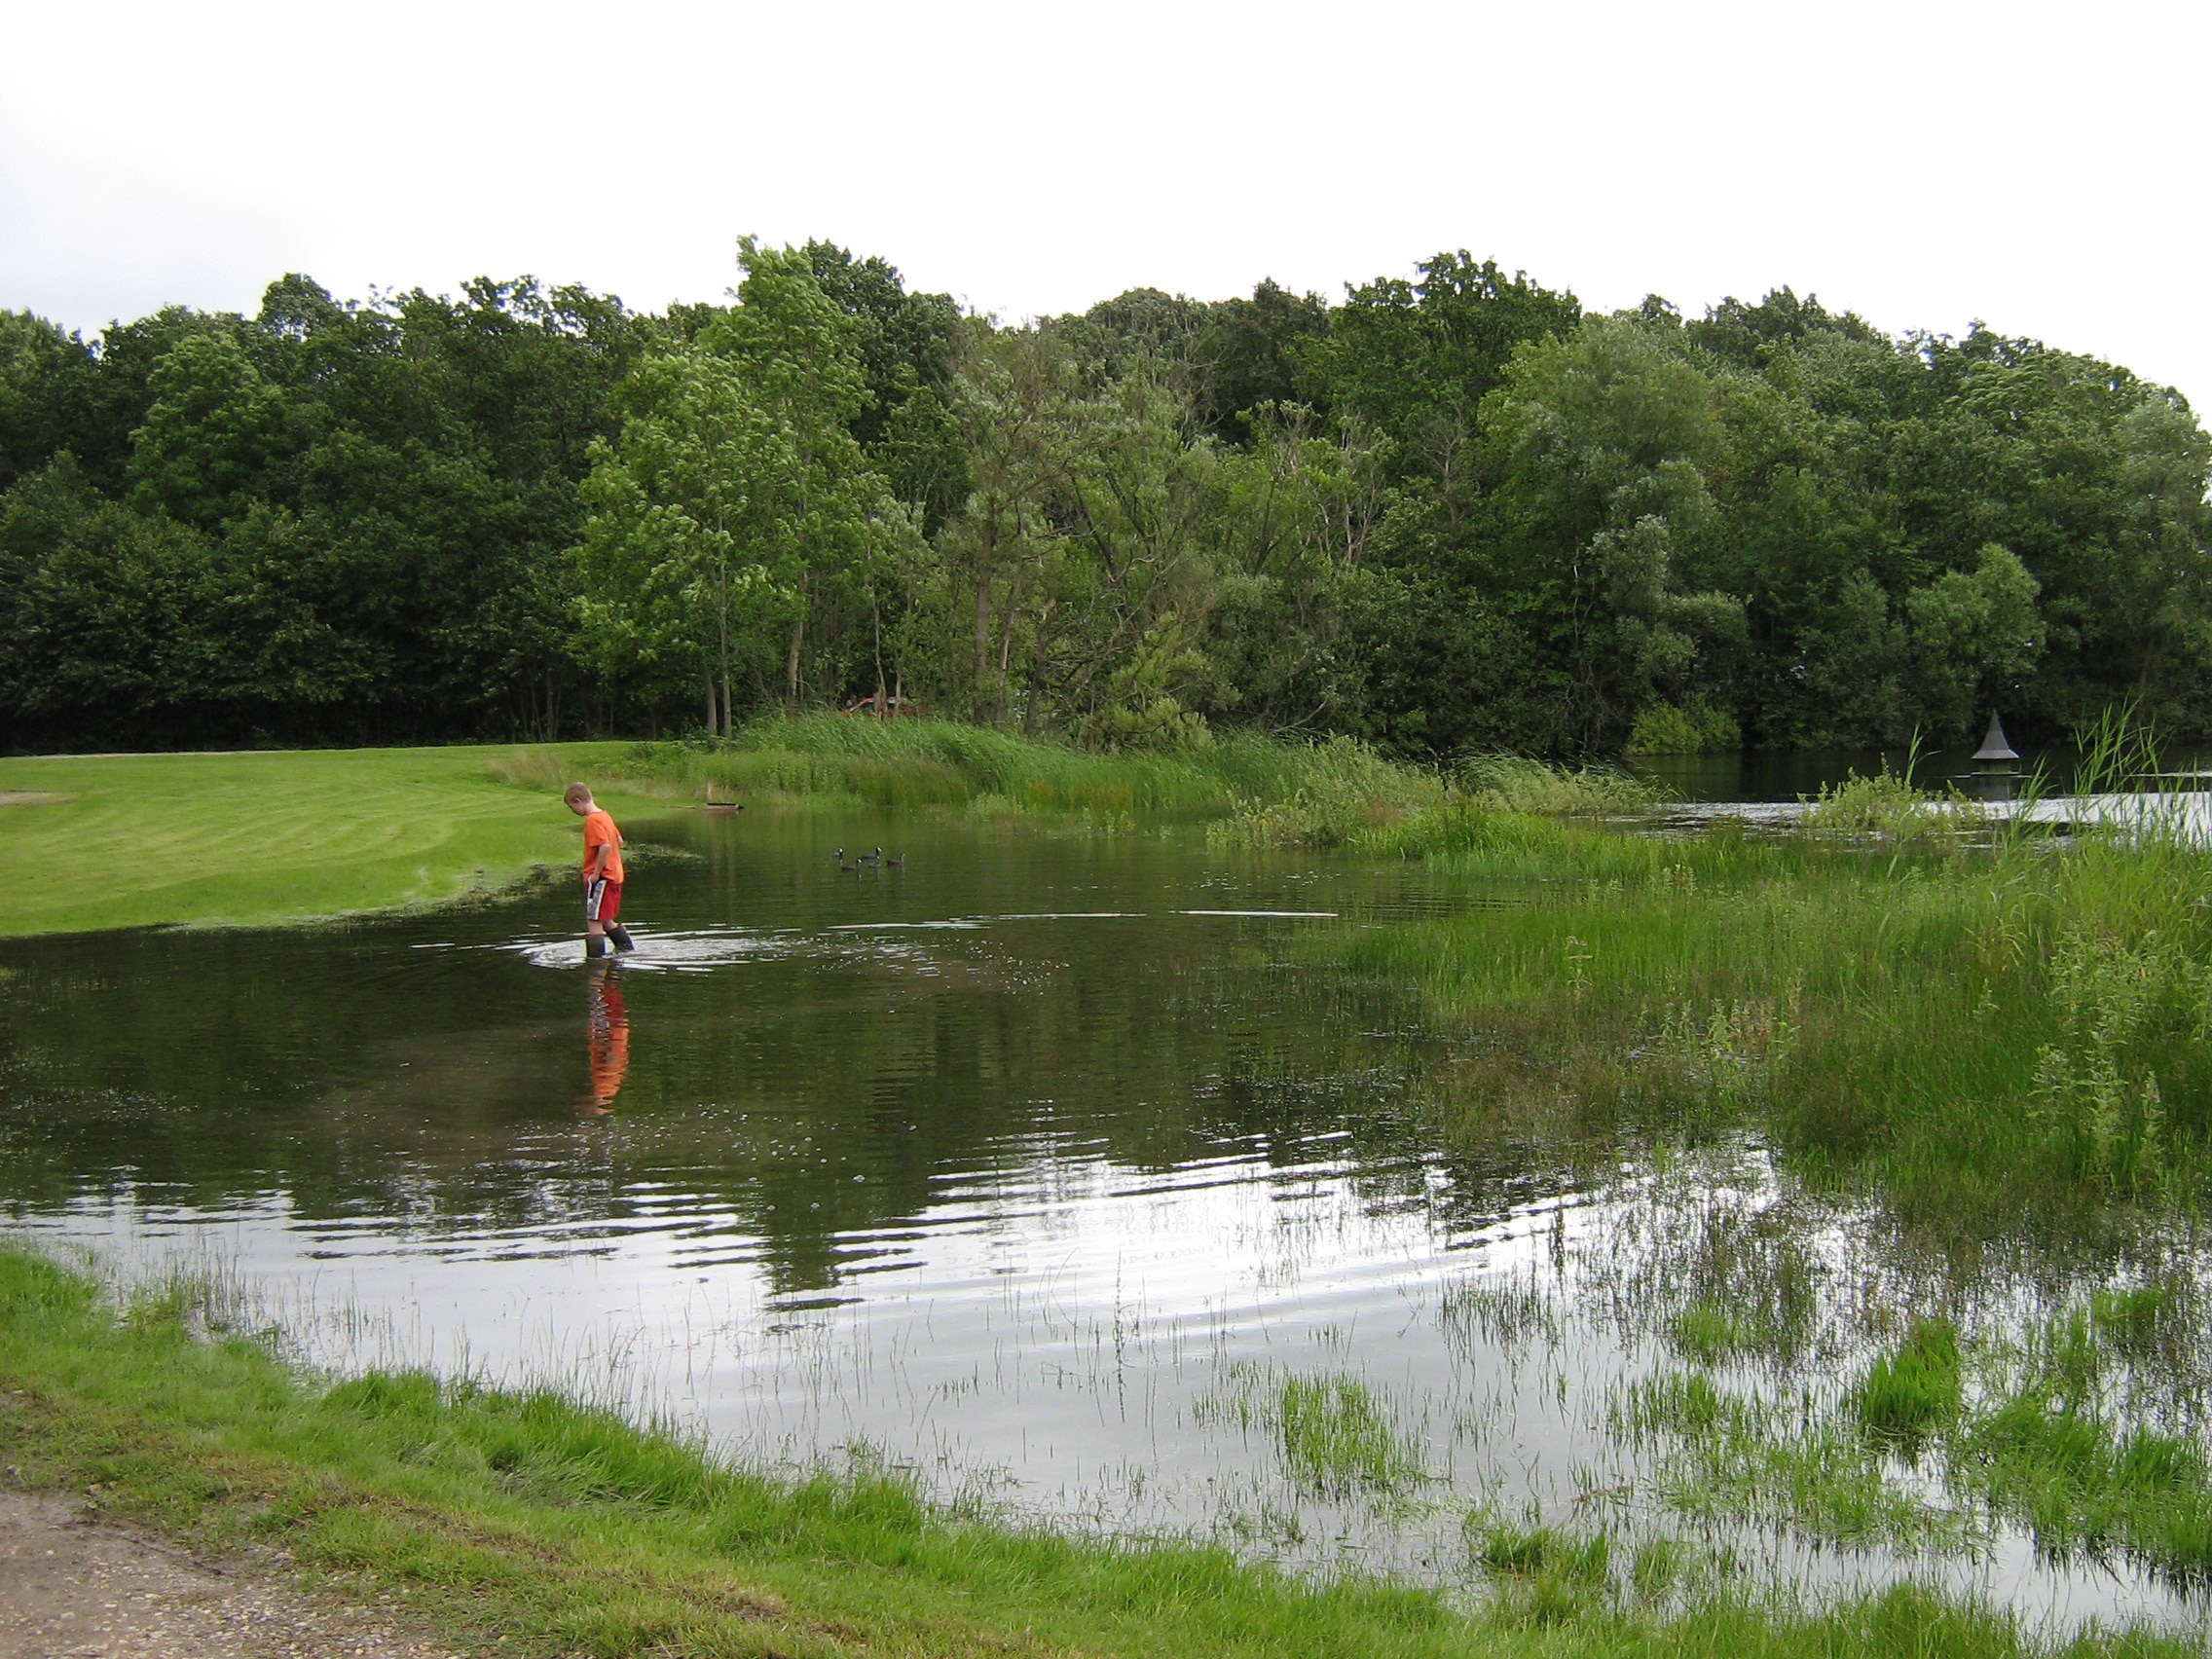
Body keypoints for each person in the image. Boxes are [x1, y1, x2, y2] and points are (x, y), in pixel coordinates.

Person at [564, 783, 635, 957]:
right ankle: (626, 950)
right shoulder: (604, 816)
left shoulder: (592, 820)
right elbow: (618, 840)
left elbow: (605, 847)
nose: (573, 811)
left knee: (593, 920)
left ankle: (595, 966)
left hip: (602, 878)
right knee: (606, 918)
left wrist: (596, 873)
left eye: (572, 807)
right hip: (615, 875)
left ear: (578, 801)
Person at [580, 960, 631, 1117]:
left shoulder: (605, 1088)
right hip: (610, 1028)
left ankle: (607, 963)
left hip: (609, 1028)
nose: (580, 1103)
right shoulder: (605, 1088)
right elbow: (612, 1058)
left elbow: (612, 1058)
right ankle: (609, 963)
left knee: (600, 988)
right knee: (603, 989)